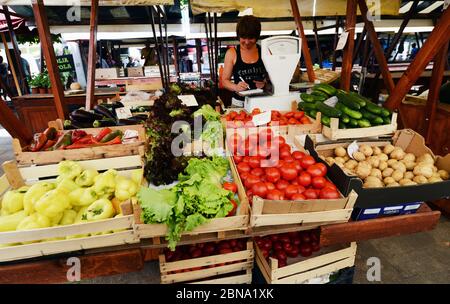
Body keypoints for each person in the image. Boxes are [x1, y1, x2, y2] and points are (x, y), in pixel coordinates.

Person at [222, 15, 267, 107]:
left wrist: (265, 83)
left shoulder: (265, 52)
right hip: (239, 104)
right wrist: (236, 87)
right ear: (238, 36)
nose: (246, 42)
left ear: (257, 36)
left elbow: (273, 78)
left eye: (251, 38)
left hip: (261, 102)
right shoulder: (232, 53)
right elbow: (224, 81)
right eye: (243, 37)